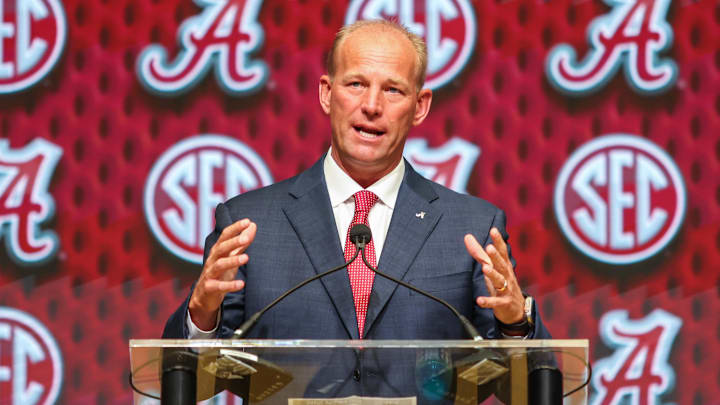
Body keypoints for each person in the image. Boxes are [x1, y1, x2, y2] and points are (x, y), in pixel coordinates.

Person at [163, 19, 550, 343]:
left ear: (420, 106)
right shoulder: (249, 224)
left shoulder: (471, 229)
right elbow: (188, 381)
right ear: (327, 94)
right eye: (356, 84)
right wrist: (201, 316)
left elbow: (529, 382)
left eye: (393, 90)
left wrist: (515, 324)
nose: (371, 106)